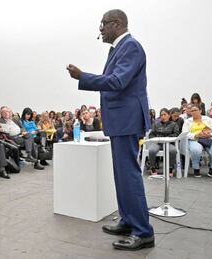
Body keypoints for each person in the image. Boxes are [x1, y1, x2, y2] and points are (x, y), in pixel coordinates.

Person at [67, 9, 154, 251]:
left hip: (127, 120)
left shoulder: (131, 47)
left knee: (129, 176)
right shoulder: (118, 49)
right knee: (121, 176)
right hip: (120, 121)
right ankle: (128, 220)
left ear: (117, 24)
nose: (100, 29)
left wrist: (83, 77)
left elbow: (117, 81)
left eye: (103, 24)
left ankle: (143, 232)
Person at [181, 104, 212, 178]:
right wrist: (195, 135)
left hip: (208, 138)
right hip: (195, 139)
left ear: (200, 110)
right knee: (196, 150)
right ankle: (196, 168)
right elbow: (185, 133)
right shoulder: (187, 121)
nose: (193, 112)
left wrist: (209, 135)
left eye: (195, 110)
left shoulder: (208, 119)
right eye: (192, 111)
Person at [148, 108, 179, 176]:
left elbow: (176, 134)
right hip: (158, 143)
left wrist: (167, 138)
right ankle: (153, 167)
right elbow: (151, 134)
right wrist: (156, 139)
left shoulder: (174, 124)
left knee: (173, 151)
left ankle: (170, 168)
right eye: (161, 115)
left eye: (165, 114)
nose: (163, 116)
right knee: (151, 150)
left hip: (169, 143)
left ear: (169, 115)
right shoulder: (156, 124)